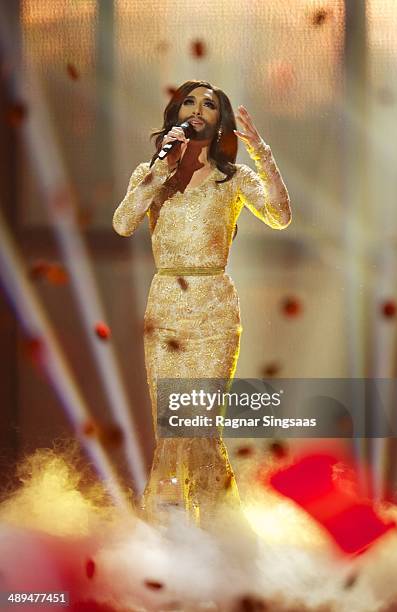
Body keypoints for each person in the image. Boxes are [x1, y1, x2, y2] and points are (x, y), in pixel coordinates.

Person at [112, 80, 291, 526]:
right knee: (172, 431)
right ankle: (170, 535)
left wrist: (262, 152)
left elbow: (280, 215)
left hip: (213, 307)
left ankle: (218, 535)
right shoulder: (152, 174)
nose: (197, 109)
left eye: (209, 104)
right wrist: (158, 170)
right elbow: (122, 224)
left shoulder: (233, 178)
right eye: (189, 101)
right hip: (166, 307)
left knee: (199, 426)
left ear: (220, 121)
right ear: (175, 114)